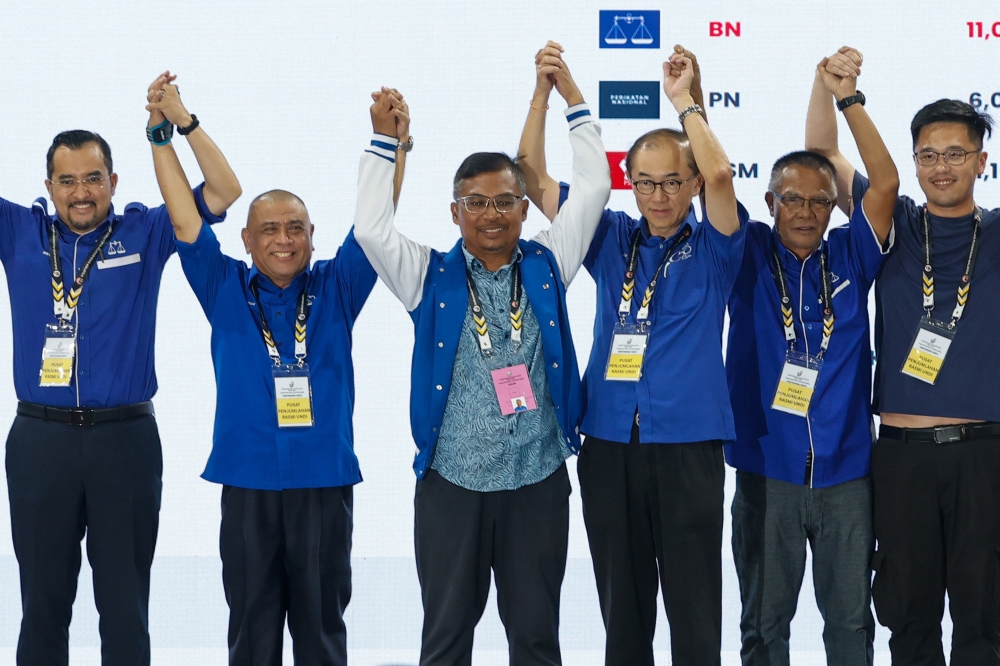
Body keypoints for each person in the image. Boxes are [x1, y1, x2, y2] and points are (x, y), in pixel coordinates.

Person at [353, 45, 610, 665]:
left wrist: (572, 99)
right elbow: (370, 229)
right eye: (476, 203)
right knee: (445, 639)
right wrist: (382, 145)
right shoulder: (428, 275)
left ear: (524, 209)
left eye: (503, 202)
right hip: (452, 483)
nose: (491, 215)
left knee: (536, 638)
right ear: (455, 211)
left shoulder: (549, 263)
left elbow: (595, 187)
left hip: (537, 479)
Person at [148, 83, 409, 665]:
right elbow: (185, 218)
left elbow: (374, 223)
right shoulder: (222, 287)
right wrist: (165, 133)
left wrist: (389, 143)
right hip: (248, 484)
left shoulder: (338, 288)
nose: (284, 240)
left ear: (313, 236)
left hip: (322, 481)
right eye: (269, 229)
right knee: (252, 633)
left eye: (296, 228)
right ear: (246, 240)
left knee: (320, 631)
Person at [518, 44, 746, 666]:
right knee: (623, 608)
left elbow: (723, 177)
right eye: (645, 182)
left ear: (691, 182)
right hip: (611, 443)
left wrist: (686, 103)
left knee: (694, 606)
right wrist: (555, 95)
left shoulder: (719, 246)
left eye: (673, 181)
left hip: (688, 445)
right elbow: (530, 174)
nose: (659, 195)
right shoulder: (611, 235)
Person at [1, 72, 240, 665]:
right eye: (67, 181)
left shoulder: (146, 230)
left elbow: (225, 190)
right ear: (49, 186)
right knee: (42, 608)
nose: (81, 193)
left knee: (125, 606)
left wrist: (179, 123)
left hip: (124, 441)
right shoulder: (19, 232)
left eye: (93, 179)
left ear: (113, 180)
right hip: (40, 440)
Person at [808, 48, 1000, 666]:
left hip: (986, 455)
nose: (942, 167)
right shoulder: (893, 224)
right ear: (914, 161)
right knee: (908, 617)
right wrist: (832, 88)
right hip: (901, 457)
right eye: (929, 155)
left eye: (956, 154)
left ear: (981, 160)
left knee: (985, 619)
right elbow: (824, 160)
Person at [726, 47, 898, 665]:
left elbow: (886, 184)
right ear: (769, 203)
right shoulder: (744, 251)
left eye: (818, 201)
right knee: (764, 625)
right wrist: (689, 104)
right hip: (765, 469)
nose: (804, 211)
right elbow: (716, 181)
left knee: (851, 625)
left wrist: (843, 97)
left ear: (833, 208)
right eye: (790, 199)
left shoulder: (852, 254)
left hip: (848, 472)